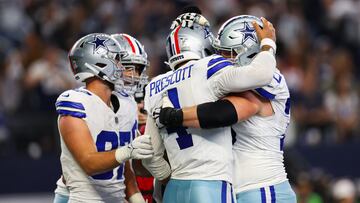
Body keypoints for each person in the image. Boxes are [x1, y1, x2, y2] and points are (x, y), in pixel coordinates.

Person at [155, 15, 296, 203]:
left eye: (228, 53)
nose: (221, 59)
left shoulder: (267, 80)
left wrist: (176, 115)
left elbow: (224, 112)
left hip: (263, 188)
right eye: (219, 52)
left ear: (252, 51)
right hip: (245, 190)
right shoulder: (237, 79)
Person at [54, 33, 154, 203]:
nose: (124, 68)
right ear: (99, 63)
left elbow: (125, 170)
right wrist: (129, 150)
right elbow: (89, 163)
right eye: (118, 61)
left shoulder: (126, 104)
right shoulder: (76, 103)